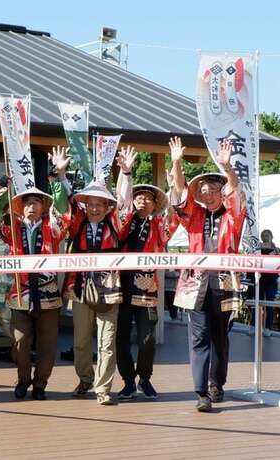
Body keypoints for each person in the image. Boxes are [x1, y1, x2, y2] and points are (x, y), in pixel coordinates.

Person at [0, 147, 70, 401]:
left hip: (48, 294)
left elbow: (65, 213)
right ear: (20, 207)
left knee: (48, 345)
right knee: (21, 342)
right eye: (27, 202)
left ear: (44, 206)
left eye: (36, 202)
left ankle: (40, 385)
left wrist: (59, 176)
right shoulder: (12, 226)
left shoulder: (52, 226)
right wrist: (0, 193)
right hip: (20, 293)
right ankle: (23, 379)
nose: (31, 206)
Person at [169, 136, 246, 412]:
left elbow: (236, 192)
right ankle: (201, 391)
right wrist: (177, 162)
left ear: (220, 191)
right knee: (198, 336)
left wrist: (228, 169)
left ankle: (217, 383)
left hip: (224, 281)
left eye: (211, 188)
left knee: (220, 337)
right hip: (195, 281)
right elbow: (179, 194)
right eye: (201, 189)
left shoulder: (233, 215)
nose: (205, 193)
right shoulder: (194, 215)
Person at [63, 148, 131, 406]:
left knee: (106, 342)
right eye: (90, 203)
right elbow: (69, 200)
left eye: (99, 204)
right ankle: (84, 378)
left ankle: (103, 388)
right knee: (81, 341)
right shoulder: (78, 222)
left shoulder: (115, 223)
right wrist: (60, 175)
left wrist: (126, 172)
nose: (94, 208)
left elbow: (125, 203)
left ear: (106, 206)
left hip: (110, 288)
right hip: (80, 288)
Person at [113, 146, 175, 401]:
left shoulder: (159, 224)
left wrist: (173, 183)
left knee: (148, 339)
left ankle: (145, 378)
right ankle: (128, 381)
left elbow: (175, 215)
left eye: (148, 198)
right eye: (138, 196)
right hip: (121, 286)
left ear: (154, 204)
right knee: (121, 339)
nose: (142, 200)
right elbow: (121, 201)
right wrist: (126, 172)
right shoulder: (123, 220)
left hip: (148, 290)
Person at [259, 229, 280, 330]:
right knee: (257, 304)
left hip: (272, 280)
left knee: (270, 304)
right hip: (259, 279)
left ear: (271, 236)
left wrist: (275, 252)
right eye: (263, 235)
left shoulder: (276, 249)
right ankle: (254, 325)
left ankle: (268, 327)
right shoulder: (258, 248)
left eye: (267, 234)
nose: (265, 236)